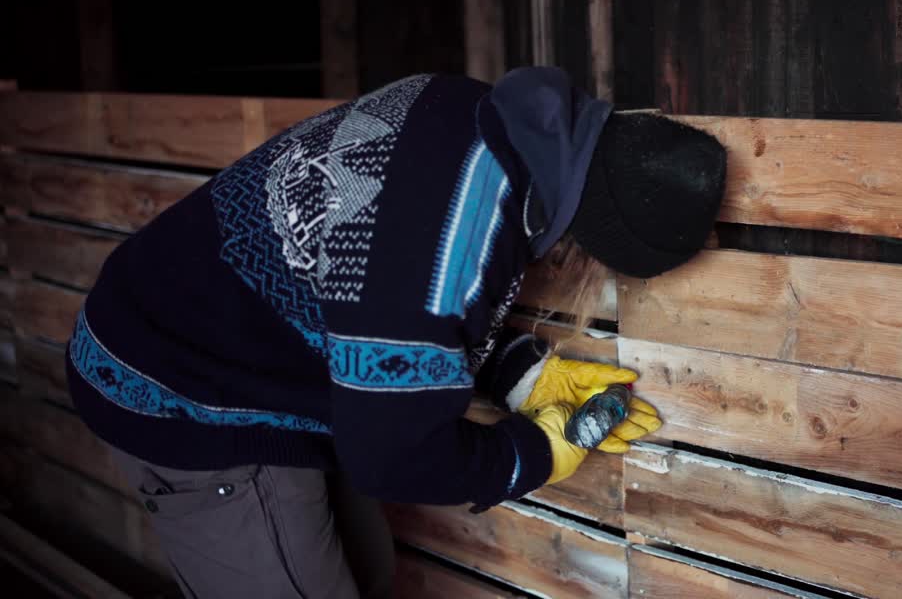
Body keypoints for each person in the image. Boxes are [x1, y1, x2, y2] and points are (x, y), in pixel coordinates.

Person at [67, 67, 728, 598]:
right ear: (586, 241)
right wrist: (532, 453)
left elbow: (404, 299)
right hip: (175, 381)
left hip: (239, 340)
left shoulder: (476, 116)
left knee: (369, 570)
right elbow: (391, 457)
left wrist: (522, 374)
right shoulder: (443, 251)